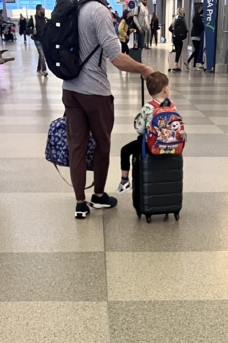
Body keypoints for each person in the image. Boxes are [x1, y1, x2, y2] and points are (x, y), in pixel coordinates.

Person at [62, 0, 153, 219]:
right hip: (95, 92)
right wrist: (144, 68)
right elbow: (117, 57)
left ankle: (80, 203)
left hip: (70, 89)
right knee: (102, 144)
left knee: (77, 147)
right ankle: (99, 195)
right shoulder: (97, 11)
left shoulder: (71, 8)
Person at [116, 71, 172, 193]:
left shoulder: (147, 107)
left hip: (151, 144)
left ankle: (124, 181)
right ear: (165, 90)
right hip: (169, 143)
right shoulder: (171, 106)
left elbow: (141, 130)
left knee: (125, 150)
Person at [186, 5, 204, 69]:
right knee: (197, 50)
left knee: (196, 50)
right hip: (197, 35)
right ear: (199, 9)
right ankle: (191, 63)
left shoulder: (194, 16)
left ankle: (193, 64)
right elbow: (201, 26)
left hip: (193, 34)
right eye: (201, 8)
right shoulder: (198, 17)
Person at [34, 5, 48, 76]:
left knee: (41, 55)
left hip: (44, 40)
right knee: (42, 54)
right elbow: (27, 28)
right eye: (42, 9)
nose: (43, 10)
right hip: (37, 39)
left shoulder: (44, 19)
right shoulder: (33, 19)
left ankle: (38, 68)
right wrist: (32, 31)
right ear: (38, 10)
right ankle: (43, 69)